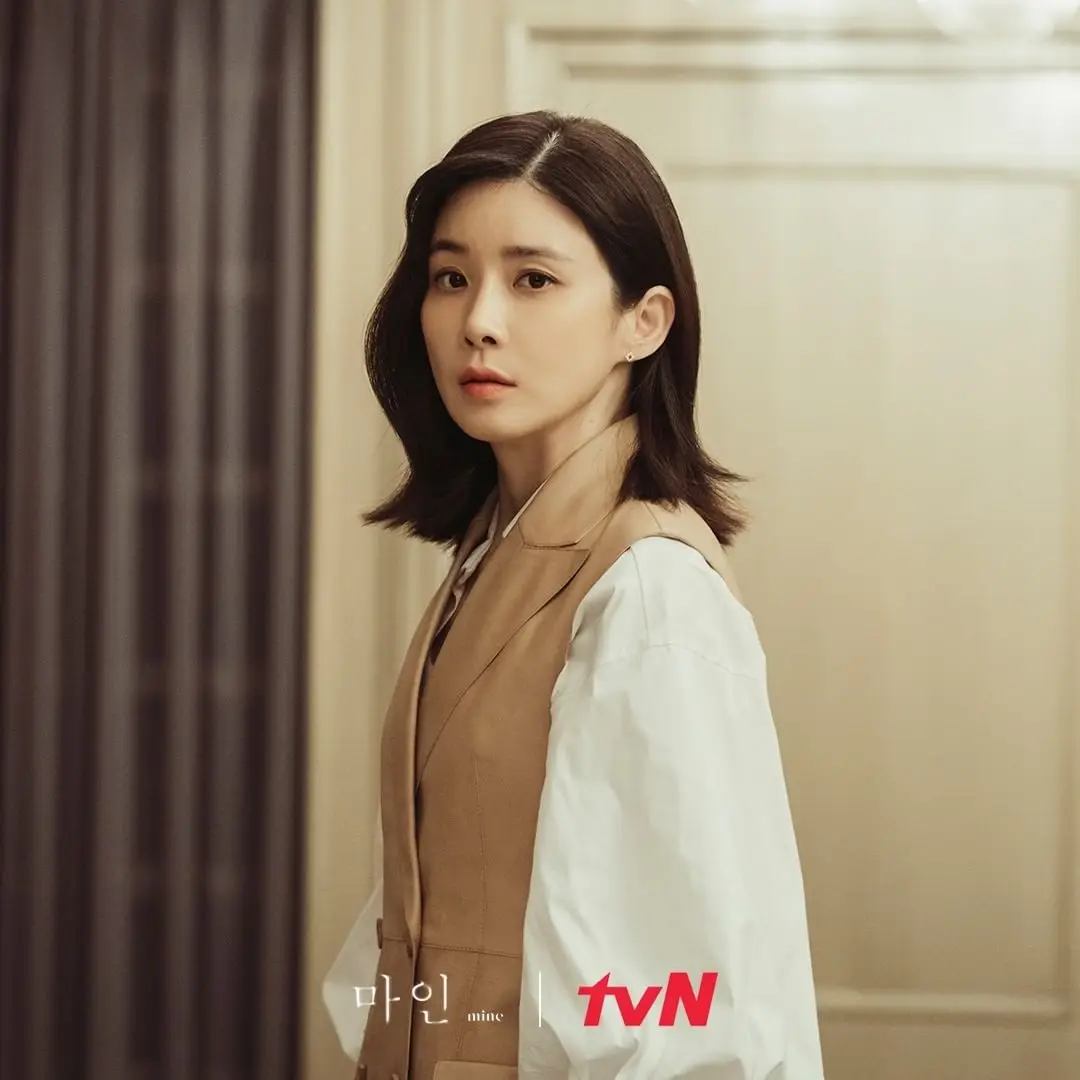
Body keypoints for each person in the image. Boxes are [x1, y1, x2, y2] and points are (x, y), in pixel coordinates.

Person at [323, 109, 825, 1080]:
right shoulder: (496, 549)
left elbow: (685, 1010)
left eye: (533, 280)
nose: (479, 320)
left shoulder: (647, 590)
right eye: (451, 277)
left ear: (645, 320)